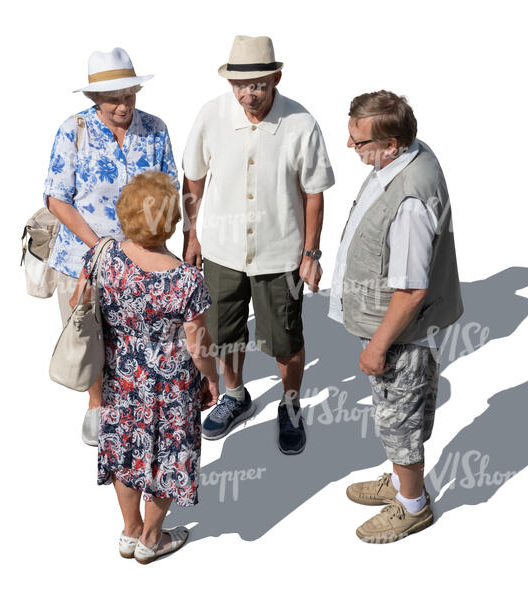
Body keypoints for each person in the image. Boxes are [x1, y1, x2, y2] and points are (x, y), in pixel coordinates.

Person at [181, 35, 334, 454]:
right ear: (231, 84)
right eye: (241, 85)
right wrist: (192, 234)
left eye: (259, 85)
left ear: (276, 79)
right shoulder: (211, 116)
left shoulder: (301, 123)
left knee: (285, 338)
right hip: (221, 253)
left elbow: (314, 193)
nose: (249, 93)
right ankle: (235, 395)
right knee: (225, 333)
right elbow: (193, 177)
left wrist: (311, 253)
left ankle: (290, 402)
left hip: (280, 254)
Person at [329, 90, 464, 542]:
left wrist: (377, 346)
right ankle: (402, 481)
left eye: (360, 142)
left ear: (391, 144)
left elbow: (409, 291)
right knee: (400, 415)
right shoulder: (411, 157)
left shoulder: (408, 201)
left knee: (399, 421)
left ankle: (412, 504)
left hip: (400, 334)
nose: (352, 148)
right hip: (402, 327)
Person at [71, 171, 220, 564]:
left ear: (125, 215)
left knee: (125, 453)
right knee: (167, 459)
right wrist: (212, 378)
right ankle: (152, 539)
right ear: (171, 220)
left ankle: (130, 530)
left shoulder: (103, 255)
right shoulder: (186, 280)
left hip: (120, 378)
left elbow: (77, 304)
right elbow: (197, 344)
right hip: (171, 389)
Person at [43, 47, 179, 446]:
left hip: (143, 256)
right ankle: (97, 404)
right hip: (83, 258)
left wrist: (152, 243)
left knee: (139, 335)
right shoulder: (74, 130)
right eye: (113, 98)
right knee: (91, 334)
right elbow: (56, 198)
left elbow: (168, 188)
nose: (123, 105)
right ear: (94, 99)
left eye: (129, 94)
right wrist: (100, 244)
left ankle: (137, 403)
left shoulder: (155, 128)